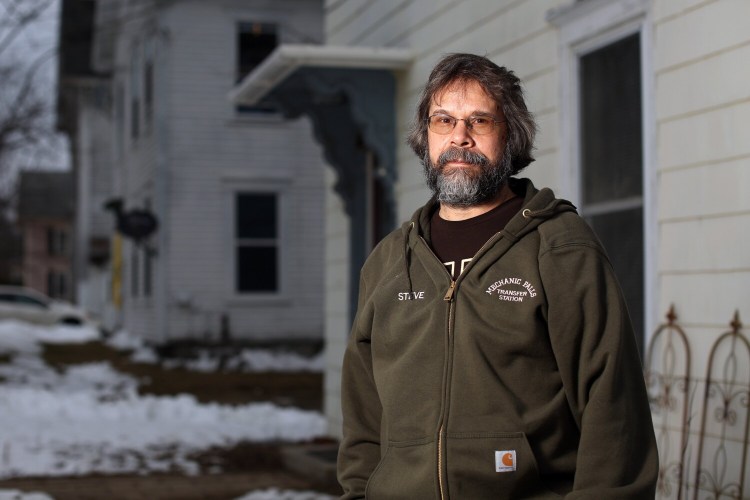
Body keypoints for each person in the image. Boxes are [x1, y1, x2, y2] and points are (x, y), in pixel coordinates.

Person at [337, 53, 658, 499]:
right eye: (443, 121)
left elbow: (613, 411)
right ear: (425, 136)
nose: (459, 138)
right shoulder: (390, 261)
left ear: (510, 136)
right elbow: (363, 414)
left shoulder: (560, 249)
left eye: (480, 121)